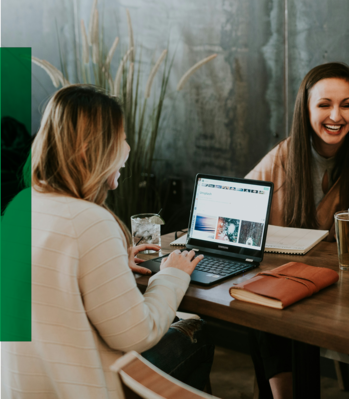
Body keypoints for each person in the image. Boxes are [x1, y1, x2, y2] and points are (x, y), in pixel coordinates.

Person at [0, 85, 214, 399]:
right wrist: (173, 274)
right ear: (91, 149)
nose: (127, 148)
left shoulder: (20, 205)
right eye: (122, 138)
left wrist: (112, 261)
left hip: (23, 389)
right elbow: (136, 334)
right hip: (79, 390)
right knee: (198, 332)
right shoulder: (90, 220)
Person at [245, 62, 349, 399]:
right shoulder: (286, 154)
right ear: (306, 109)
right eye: (324, 104)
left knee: (269, 309)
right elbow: (244, 202)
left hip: (346, 298)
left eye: (346, 105)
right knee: (260, 306)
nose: (337, 115)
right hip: (288, 286)